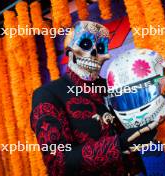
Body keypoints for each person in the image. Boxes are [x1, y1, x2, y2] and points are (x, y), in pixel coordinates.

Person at [30, 21, 156, 176]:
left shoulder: (114, 86)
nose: (95, 52)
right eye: (85, 44)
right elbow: (58, 163)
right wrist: (119, 144)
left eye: (101, 47)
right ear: (70, 52)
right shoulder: (48, 94)